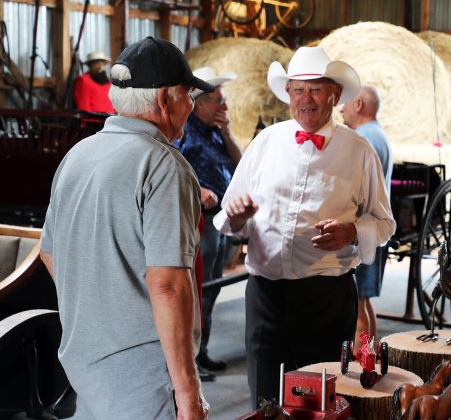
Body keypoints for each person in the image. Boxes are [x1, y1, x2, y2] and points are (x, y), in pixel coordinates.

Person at [39, 36, 214, 420]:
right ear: (166, 98)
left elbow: (49, 251)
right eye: (188, 95)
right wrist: (187, 394)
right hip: (144, 375)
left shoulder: (78, 156)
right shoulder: (163, 166)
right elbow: (167, 283)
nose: (191, 106)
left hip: (86, 366)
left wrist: (101, 310)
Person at [213, 46, 396, 407]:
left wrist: (353, 233)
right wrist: (236, 215)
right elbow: (230, 216)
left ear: (335, 95)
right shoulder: (265, 142)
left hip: (326, 299)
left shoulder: (358, 151)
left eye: (315, 89)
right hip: (265, 295)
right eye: (298, 89)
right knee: (264, 402)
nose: (306, 99)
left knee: (320, 403)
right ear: (288, 95)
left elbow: (385, 223)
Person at [174, 67, 243, 381]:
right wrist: (198, 190)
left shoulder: (216, 130)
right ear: (198, 102)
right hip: (199, 220)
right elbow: (171, 168)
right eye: (218, 100)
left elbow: (241, 165)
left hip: (222, 218)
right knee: (199, 289)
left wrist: (227, 134)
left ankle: (202, 352)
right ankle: (190, 358)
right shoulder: (183, 131)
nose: (224, 107)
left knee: (212, 288)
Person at [340, 85, 393, 350]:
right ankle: (369, 355)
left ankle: (362, 363)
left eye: (346, 103)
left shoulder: (363, 139)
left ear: (359, 104)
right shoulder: (377, 134)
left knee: (355, 303)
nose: (341, 108)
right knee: (363, 300)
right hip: (372, 228)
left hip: (361, 229)